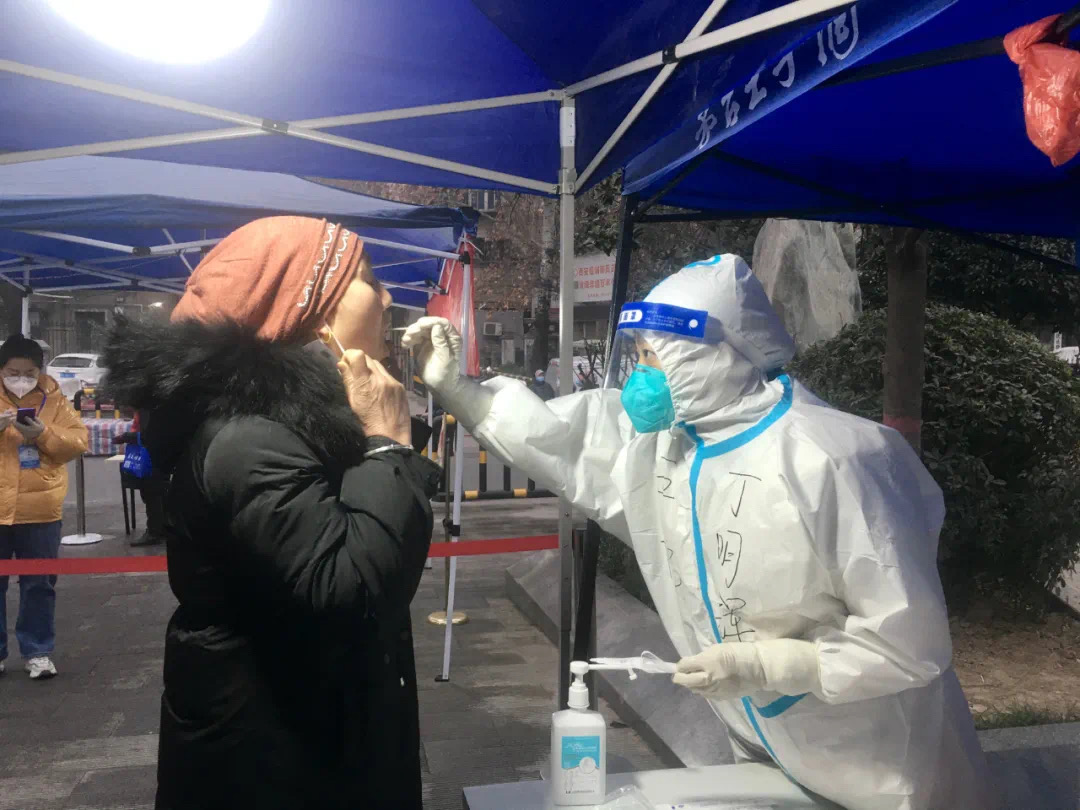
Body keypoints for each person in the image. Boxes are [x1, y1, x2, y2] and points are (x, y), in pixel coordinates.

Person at [404, 255, 997, 810]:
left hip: (882, 764)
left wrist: (773, 665)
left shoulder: (836, 459)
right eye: (637, 354)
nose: (640, 375)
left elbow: (908, 639)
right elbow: (571, 442)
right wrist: (462, 392)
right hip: (760, 745)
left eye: (653, 356)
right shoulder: (670, 451)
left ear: (711, 356)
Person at [103, 217, 441, 810]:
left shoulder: (294, 424)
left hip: (310, 739)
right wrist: (388, 447)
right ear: (309, 311)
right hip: (270, 760)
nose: (388, 299)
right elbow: (351, 590)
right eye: (367, 280)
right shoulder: (248, 439)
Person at [0, 334, 88, 680]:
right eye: (12, 372)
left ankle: (37, 651)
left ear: (40, 371)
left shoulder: (55, 399)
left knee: (39, 585)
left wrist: (43, 433)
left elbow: (77, 443)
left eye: (29, 372)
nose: (21, 379)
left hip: (40, 511)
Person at [112, 410, 169, 547]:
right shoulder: (157, 406)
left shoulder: (147, 410)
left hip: (151, 458)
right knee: (160, 494)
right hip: (162, 456)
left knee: (152, 494)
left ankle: (154, 532)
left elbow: (147, 436)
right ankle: (162, 529)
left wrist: (125, 437)